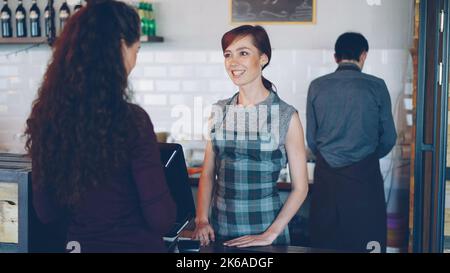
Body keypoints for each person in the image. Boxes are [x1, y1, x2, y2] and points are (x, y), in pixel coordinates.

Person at [25, 0, 176, 253]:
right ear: (120, 48)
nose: (134, 61)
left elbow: (46, 212)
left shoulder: (47, 118)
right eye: (136, 50)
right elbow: (161, 218)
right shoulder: (132, 121)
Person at [192, 25, 309, 247]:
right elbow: (207, 174)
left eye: (243, 53)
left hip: (265, 234)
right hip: (219, 232)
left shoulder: (286, 115)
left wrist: (271, 234)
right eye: (228, 54)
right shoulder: (219, 111)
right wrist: (201, 220)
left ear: (263, 58)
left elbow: (301, 187)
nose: (233, 62)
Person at [306, 32, 397, 253]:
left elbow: (311, 138)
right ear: (363, 55)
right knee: (366, 241)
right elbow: (389, 138)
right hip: (364, 176)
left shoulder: (317, 86)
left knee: (325, 240)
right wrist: (367, 158)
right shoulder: (376, 86)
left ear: (336, 57)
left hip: (327, 176)